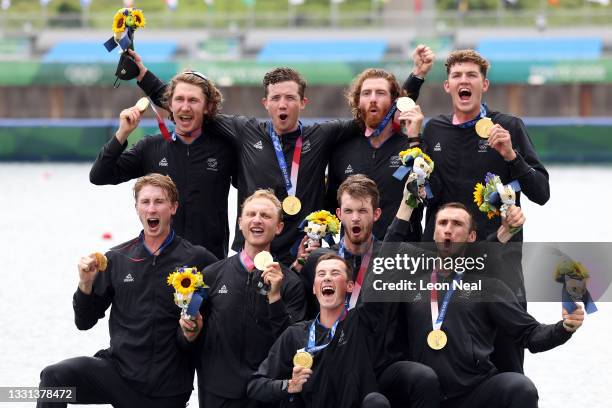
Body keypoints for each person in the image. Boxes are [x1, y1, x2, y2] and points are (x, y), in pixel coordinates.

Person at [130, 46, 432, 265]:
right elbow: (189, 107)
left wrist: (415, 79)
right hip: (254, 249)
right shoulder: (245, 131)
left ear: (303, 102)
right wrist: (142, 75)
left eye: (290, 97)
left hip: (306, 253)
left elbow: (376, 108)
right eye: (276, 98)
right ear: (266, 103)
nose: (282, 104)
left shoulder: (322, 135)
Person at [416, 49, 551, 372]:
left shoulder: (508, 127)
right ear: (447, 86)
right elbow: (427, 197)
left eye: (471, 76)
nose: (464, 81)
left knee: (508, 370)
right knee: (444, 365)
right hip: (444, 268)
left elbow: (541, 193)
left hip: (499, 268)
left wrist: (510, 156)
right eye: (457, 76)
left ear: (484, 85)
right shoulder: (434, 130)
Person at [37, 173, 218, 408]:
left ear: (173, 208)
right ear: (137, 208)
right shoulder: (117, 258)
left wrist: (193, 322)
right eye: (145, 202)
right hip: (118, 375)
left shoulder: (198, 259)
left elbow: (216, 309)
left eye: (159, 202)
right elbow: (84, 321)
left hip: (168, 388)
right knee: (53, 379)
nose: (151, 209)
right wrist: (85, 284)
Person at [383, 199, 584, 408]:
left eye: (457, 224)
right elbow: (383, 257)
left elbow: (530, 334)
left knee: (520, 386)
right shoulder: (409, 281)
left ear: (471, 237)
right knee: (419, 377)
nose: (448, 230)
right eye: (442, 224)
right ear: (433, 233)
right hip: (422, 392)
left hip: (473, 393)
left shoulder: (488, 287)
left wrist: (564, 328)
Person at [294, 175, 438, 408]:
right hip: (335, 363)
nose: (355, 218)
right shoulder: (320, 260)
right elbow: (302, 311)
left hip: (382, 364)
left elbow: (450, 265)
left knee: (423, 378)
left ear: (376, 214)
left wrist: (500, 237)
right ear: (339, 214)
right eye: (349, 211)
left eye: (362, 211)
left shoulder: (400, 255)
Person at [178, 189, 306, 407]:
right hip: (218, 393)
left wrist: (275, 297)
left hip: (267, 395)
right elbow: (186, 339)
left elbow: (293, 347)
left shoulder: (291, 283)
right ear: (239, 222)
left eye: (265, 216)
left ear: (279, 227)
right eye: (251, 214)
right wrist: (190, 332)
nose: (257, 220)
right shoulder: (210, 275)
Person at [90, 70, 236, 260]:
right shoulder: (150, 147)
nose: (185, 107)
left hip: (211, 264)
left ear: (208, 107)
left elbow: (251, 186)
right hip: (160, 265)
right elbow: (99, 176)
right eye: (179, 99)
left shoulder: (225, 149)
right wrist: (122, 133)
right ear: (169, 104)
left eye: (193, 100)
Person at [247, 253, 392, 408]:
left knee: (376, 402)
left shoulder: (362, 322)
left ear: (350, 286)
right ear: (315, 288)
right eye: (321, 274)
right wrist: (289, 385)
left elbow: (385, 263)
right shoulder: (295, 335)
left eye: (335, 273)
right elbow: (255, 385)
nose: (327, 278)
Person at [326, 46, 434, 241]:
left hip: (401, 256)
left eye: (380, 93)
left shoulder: (413, 145)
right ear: (358, 102)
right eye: (366, 93)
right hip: (354, 256)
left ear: (395, 103)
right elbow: (330, 206)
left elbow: (428, 194)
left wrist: (414, 139)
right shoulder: (342, 149)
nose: (373, 99)